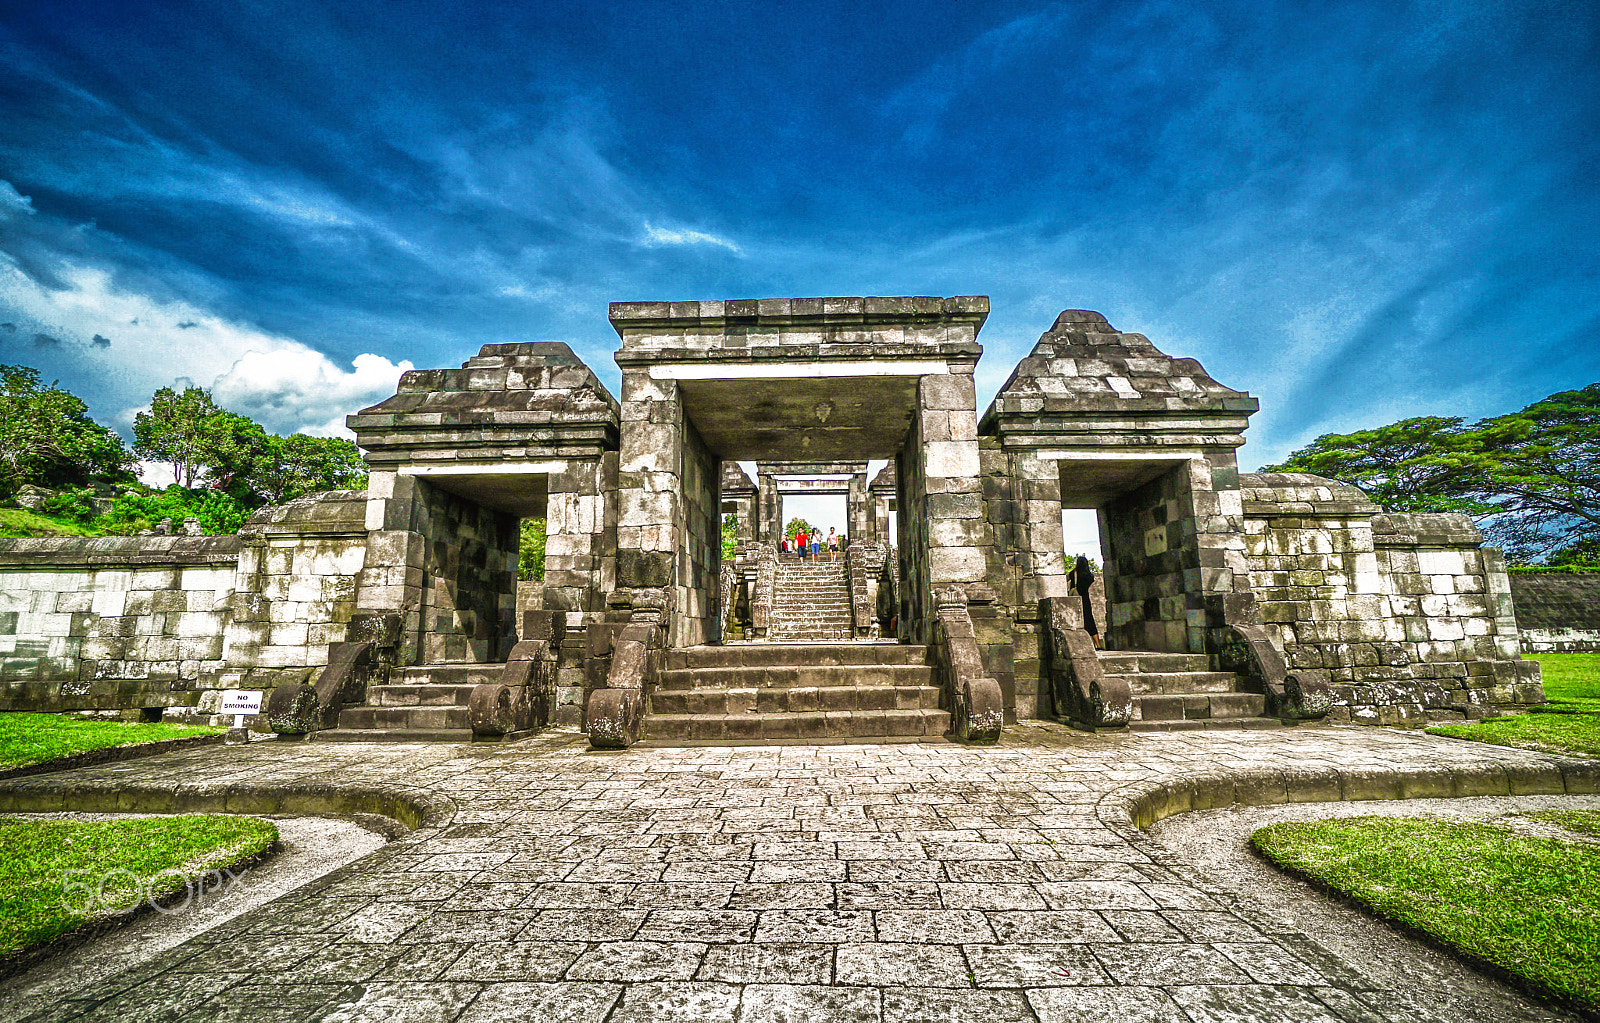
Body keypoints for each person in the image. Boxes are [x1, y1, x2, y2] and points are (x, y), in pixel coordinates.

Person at [1068, 555, 1101, 649]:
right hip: (1085, 599)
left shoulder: (1073, 573)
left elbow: (1066, 579)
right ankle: (1098, 644)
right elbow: (1091, 580)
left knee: (1076, 621)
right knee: (1089, 620)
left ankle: (1080, 645)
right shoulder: (1088, 575)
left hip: (1075, 600)